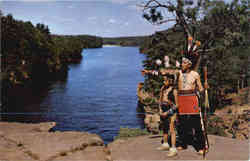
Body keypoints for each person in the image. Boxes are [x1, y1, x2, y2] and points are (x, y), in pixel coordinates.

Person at [142, 56, 208, 155]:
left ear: (189, 65)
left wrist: (204, 89)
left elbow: (201, 88)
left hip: (192, 99)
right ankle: (183, 143)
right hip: (181, 99)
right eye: (182, 63)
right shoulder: (178, 73)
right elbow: (163, 73)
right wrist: (149, 72)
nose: (182, 65)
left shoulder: (195, 74)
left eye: (184, 63)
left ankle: (201, 146)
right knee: (182, 123)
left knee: (196, 124)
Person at [157, 75, 178, 157]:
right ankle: (165, 144)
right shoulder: (163, 88)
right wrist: (160, 109)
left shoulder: (174, 90)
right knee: (164, 128)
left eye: (165, 80)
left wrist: (168, 112)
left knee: (172, 129)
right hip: (163, 109)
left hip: (171, 112)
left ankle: (173, 149)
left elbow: (177, 105)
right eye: (163, 80)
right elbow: (160, 100)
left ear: (170, 81)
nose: (163, 82)